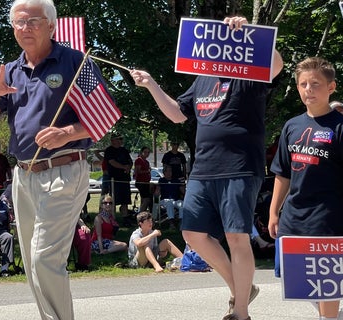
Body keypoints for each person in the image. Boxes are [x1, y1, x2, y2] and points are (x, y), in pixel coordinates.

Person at [130, 16, 284, 320]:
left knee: (236, 236)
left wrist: (249, 35)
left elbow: (276, 64)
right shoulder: (201, 78)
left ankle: (240, 312)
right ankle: (242, 287)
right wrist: (151, 84)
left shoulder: (248, 73)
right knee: (192, 233)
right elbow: (177, 114)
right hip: (203, 169)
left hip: (240, 166)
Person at [0, 0, 115, 317]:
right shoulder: (10, 71)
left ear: (52, 25)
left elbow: (104, 118)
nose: (25, 28)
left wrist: (66, 133)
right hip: (22, 177)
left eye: (34, 21)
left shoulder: (75, 63)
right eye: (19, 22)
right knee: (31, 262)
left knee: (44, 259)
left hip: (63, 170)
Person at [268, 57, 343, 320]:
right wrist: (274, 212)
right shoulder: (292, 125)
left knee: (326, 279)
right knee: (297, 282)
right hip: (293, 217)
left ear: (331, 87)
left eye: (315, 84)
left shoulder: (339, 126)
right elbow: (282, 173)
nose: (308, 89)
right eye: (303, 84)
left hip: (328, 217)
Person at [104, 134, 133, 218]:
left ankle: (125, 217)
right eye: (118, 139)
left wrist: (129, 167)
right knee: (113, 200)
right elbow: (111, 162)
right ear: (113, 140)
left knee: (125, 200)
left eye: (121, 139)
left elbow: (130, 161)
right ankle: (111, 218)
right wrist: (123, 167)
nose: (120, 141)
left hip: (125, 178)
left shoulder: (124, 150)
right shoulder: (109, 150)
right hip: (114, 179)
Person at [133, 146, 152, 212]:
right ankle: (140, 214)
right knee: (147, 199)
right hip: (141, 182)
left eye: (148, 152)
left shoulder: (146, 162)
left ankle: (142, 212)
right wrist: (147, 171)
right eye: (145, 152)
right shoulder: (139, 160)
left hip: (146, 183)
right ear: (141, 152)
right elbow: (138, 171)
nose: (147, 154)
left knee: (144, 199)